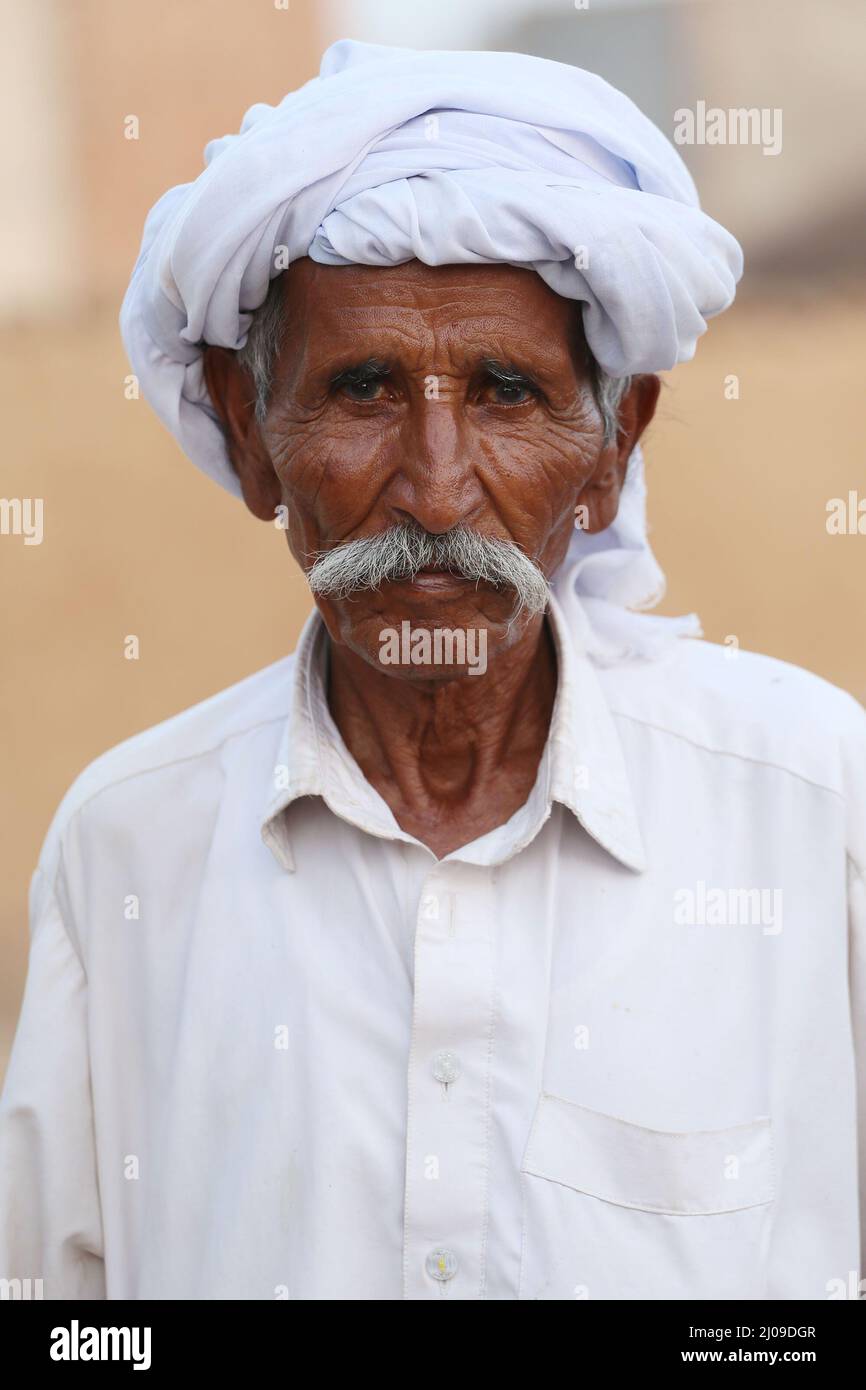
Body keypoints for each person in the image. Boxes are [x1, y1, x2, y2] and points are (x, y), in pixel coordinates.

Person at [1, 40, 863, 1301]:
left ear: (611, 445)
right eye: (361, 391)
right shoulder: (128, 846)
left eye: (507, 392)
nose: (439, 486)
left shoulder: (811, 802)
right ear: (251, 435)